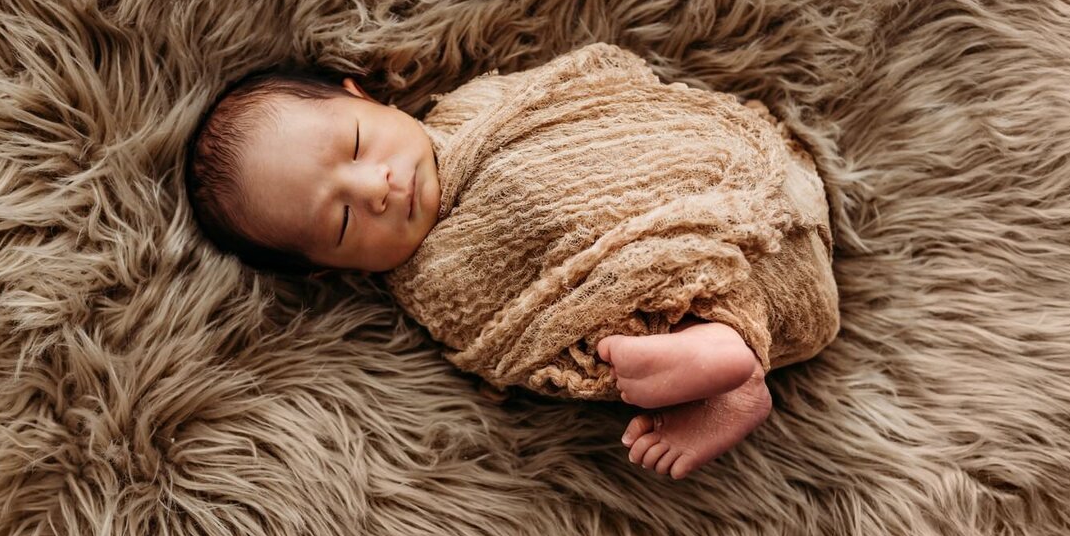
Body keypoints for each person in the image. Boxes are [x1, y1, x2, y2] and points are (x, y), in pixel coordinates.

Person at [184, 43, 840, 480]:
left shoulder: (479, 105)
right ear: (332, 269)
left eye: (357, 145)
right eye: (343, 219)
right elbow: (514, 343)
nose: (376, 187)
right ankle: (723, 360)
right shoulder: (434, 285)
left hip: (743, 184)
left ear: (364, 96)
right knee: (604, 334)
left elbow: (591, 89)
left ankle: (718, 344)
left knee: (637, 273)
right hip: (747, 288)